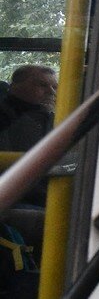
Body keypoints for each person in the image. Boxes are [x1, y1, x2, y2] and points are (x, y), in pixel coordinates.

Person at [0, 65, 57, 207]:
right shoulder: (5, 117)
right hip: (18, 197)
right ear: (15, 86)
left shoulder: (47, 116)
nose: (51, 92)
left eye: (54, 87)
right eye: (42, 85)